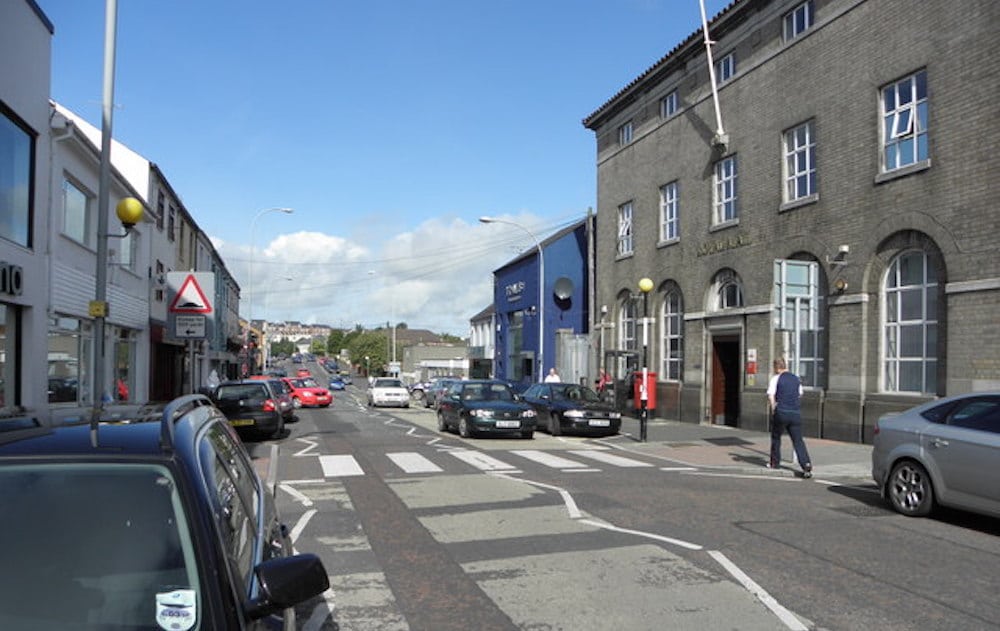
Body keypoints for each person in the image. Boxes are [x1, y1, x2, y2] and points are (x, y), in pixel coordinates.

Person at [766, 358, 813, 478]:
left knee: (776, 437)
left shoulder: (776, 378)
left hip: (781, 412)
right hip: (795, 413)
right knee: (798, 440)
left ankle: (775, 463)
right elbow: (800, 394)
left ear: (776, 367)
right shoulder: (795, 378)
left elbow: (771, 396)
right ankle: (806, 464)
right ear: (785, 365)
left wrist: (774, 409)